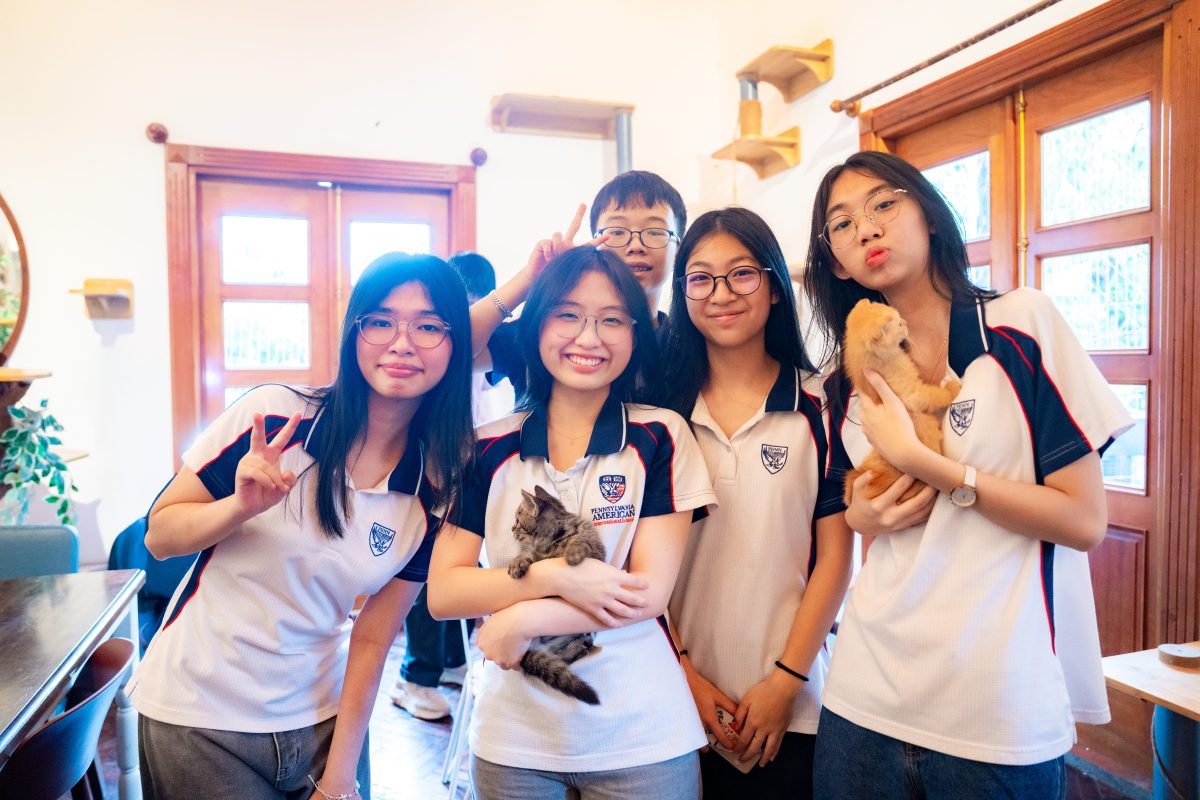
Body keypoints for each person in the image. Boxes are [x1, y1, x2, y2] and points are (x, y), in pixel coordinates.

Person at [803, 151, 1133, 800]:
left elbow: (1084, 521)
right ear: (836, 261)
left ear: (929, 214)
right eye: (842, 224)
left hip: (996, 707)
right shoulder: (846, 380)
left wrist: (931, 465)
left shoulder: (1021, 325)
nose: (867, 228)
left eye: (883, 204)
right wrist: (862, 515)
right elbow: (855, 512)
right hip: (862, 693)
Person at [128, 252, 475, 800]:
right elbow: (160, 537)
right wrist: (237, 508)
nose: (402, 343)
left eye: (429, 326)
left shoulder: (438, 485)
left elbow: (374, 636)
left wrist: (339, 777)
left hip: (323, 719)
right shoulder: (277, 417)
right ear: (353, 332)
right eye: (380, 321)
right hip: (199, 715)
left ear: (455, 345)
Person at [427, 246, 717, 800]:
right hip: (513, 740)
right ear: (536, 326)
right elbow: (444, 592)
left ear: (635, 336)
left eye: (612, 320)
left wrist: (521, 618)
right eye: (567, 315)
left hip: (643, 736)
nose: (589, 337)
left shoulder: (661, 435)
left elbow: (647, 593)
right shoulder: (485, 446)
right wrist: (554, 577)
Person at [662, 207, 853, 799]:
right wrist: (683, 678)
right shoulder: (657, 419)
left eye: (742, 273)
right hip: (670, 698)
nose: (721, 294)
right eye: (700, 278)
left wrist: (785, 682)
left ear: (773, 286)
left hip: (792, 705)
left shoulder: (821, 406)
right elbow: (634, 569)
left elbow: (835, 560)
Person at [390, 252, 508, 721]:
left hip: (471, 471)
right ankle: (413, 678)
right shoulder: (439, 342)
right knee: (423, 574)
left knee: (466, 567)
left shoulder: (492, 344)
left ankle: (452, 662)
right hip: (432, 472)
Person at [472, 170, 688, 396]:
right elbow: (456, 349)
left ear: (677, 252)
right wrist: (531, 278)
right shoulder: (548, 332)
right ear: (595, 243)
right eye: (617, 231)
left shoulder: (687, 349)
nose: (636, 246)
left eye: (655, 232)